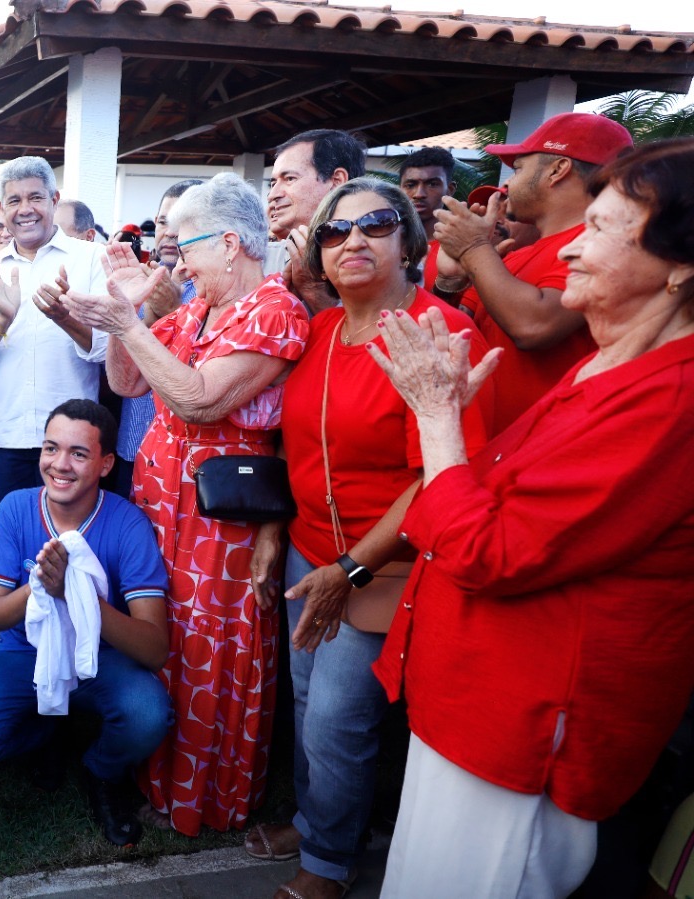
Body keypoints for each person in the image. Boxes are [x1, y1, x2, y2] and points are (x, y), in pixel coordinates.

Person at [367, 137, 694, 898]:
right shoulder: (611, 363)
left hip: (522, 729)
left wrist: (437, 417)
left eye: (606, 229)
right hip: (478, 706)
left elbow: (491, 551)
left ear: (681, 269)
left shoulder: (670, 401)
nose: (572, 245)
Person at [249, 179, 493, 899]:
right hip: (309, 552)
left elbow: (437, 478)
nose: (352, 240)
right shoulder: (321, 331)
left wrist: (351, 567)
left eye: (375, 225)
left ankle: (328, 861)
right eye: (334, 232)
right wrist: (278, 534)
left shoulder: (440, 331)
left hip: (387, 565)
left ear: (410, 243)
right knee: (303, 700)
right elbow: (292, 444)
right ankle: (315, 818)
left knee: (336, 718)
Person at [61, 173, 309, 836]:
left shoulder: (273, 309)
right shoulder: (198, 307)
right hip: (161, 510)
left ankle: (208, 796)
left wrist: (126, 324)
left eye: (186, 247)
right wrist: (127, 313)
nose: (177, 262)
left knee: (212, 652)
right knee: (163, 642)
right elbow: (127, 378)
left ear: (230, 243)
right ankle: (155, 778)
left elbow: (200, 399)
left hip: (220, 521)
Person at [0, 400, 172, 847]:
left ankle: (101, 770)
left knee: (149, 714)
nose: (59, 465)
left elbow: (154, 648)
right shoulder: (16, 508)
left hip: (98, 655)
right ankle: (46, 731)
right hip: (24, 651)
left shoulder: (127, 523)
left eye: (78, 454)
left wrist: (78, 594)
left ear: (106, 464)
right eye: (51, 448)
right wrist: (40, 586)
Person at [431, 112, 633, 435]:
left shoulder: (602, 246)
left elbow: (534, 326)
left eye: (519, 168)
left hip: (547, 457)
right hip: (488, 454)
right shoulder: (514, 256)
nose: (508, 183)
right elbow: (452, 342)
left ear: (557, 170)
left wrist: (472, 249)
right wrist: (449, 281)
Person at [0, 155, 110, 509]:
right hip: (9, 440)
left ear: (54, 201)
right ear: (2, 208)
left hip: (76, 442)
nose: (25, 209)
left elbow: (106, 349)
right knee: (14, 544)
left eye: (35, 197)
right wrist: (2, 321)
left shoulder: (90, 259)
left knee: (71, 547)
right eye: (14, 200)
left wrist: (65, 318)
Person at [109, 179, 203, 499]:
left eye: (182, 222)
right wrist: (132, 310)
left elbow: (201, 375)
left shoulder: (211, 290)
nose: (170, 232)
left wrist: (173, 311)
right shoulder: (137, 279)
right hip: (132, 445)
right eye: (163, 221)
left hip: (183, 462)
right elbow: (122, 377)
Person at [267, 129, 367, 308]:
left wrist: (314, 291)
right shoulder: (261, 257)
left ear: (336, 181)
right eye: (273, 183)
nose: (272, 195)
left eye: (289, 178)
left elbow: (368, 333)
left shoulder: (374, 252)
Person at [396, 147, 456, 234]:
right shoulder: (384, 240)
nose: (419, 194)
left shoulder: (464, 244)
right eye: (410, 185)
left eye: (432, 184)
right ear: (398, 191)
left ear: (449, 190)